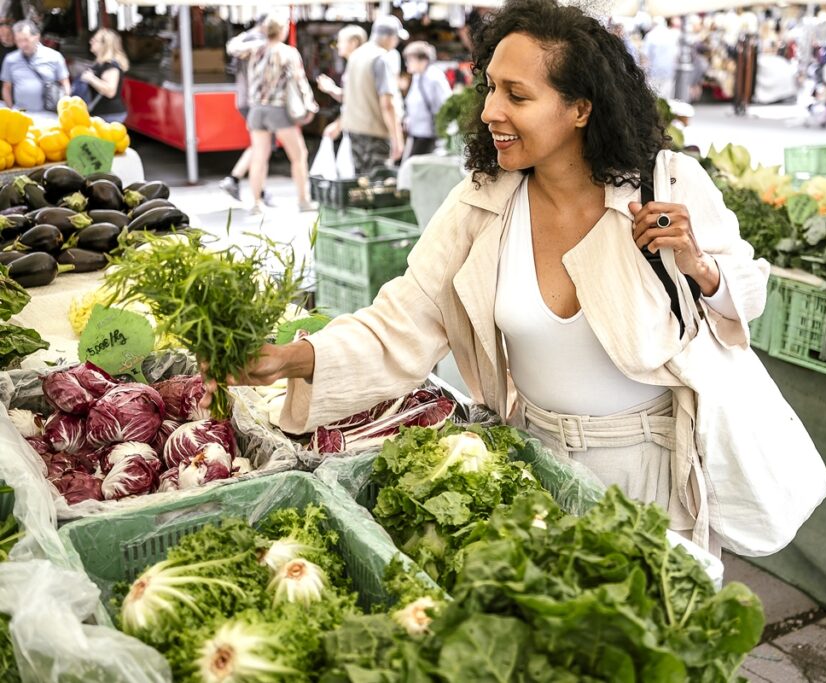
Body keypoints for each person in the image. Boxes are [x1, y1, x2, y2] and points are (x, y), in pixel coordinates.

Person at [203, 0, 768, 555]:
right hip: (532, 468)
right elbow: (406, 316)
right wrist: (292, 358)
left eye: (517, 95)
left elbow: (750, 292)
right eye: (490, 88)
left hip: (653, 474)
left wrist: (701, 266)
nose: (491, 111)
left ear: (580, 109)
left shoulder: (668, 183)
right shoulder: (482, 203)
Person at [245, 15, 318, 214]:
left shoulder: (254, 50)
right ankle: (303, 200)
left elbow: (232, 46)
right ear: (282, 30)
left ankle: (256, 202)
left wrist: (254, 32)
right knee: (298, 154)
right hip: (278, 110)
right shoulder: (288, 52)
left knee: (259, 156)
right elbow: (299, 81)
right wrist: (310, 106)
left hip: (256, 109)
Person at [341, 15, 407, 175]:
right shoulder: (381, 59)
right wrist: (397, 138)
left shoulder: (355, 55)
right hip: (375, 132)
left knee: (360, 181)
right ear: (388, 37)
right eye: (396, 38)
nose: (396, 43)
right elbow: (387, 104)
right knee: (377, 183)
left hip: (354, 129)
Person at [219, 18, 274, 206]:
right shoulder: (260, 42)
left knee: (260, 145)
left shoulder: (242, 41)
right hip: (256, 101)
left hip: (245, 99)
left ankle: (247, 185)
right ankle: (247, 187)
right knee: (262, 146)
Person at [315, 24, 368, 161]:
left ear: (354, 42)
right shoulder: (354, 64)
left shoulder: (360, 65)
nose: (337, 45)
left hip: (361, 128)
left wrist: (339, 124)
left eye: (340, 41)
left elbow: (357, 100)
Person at [1, 20, 70, 112]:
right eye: (19, 41)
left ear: (37, 37)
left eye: (26, 40)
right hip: (21, 114)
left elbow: (65, 84)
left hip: (49, 115)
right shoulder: (10, 59)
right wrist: (10, 110)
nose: (23, 45)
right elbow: (6, 87)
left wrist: (64, 109)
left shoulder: (54, 57)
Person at [401, 40, 452, 158]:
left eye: (410, 59)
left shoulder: (434, 78)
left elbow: (443, 107)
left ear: (423, 60)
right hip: (418, 132)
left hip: (429, 136)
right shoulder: (418, 76)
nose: (407, 63)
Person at [78, 28, 128, 123]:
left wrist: (91, 78)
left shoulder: (110, 65)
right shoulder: (100, 63)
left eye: (95, 40)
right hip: (102, 114)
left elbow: (110, 91)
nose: (90, 41)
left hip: (109, 115)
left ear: (105, 45)